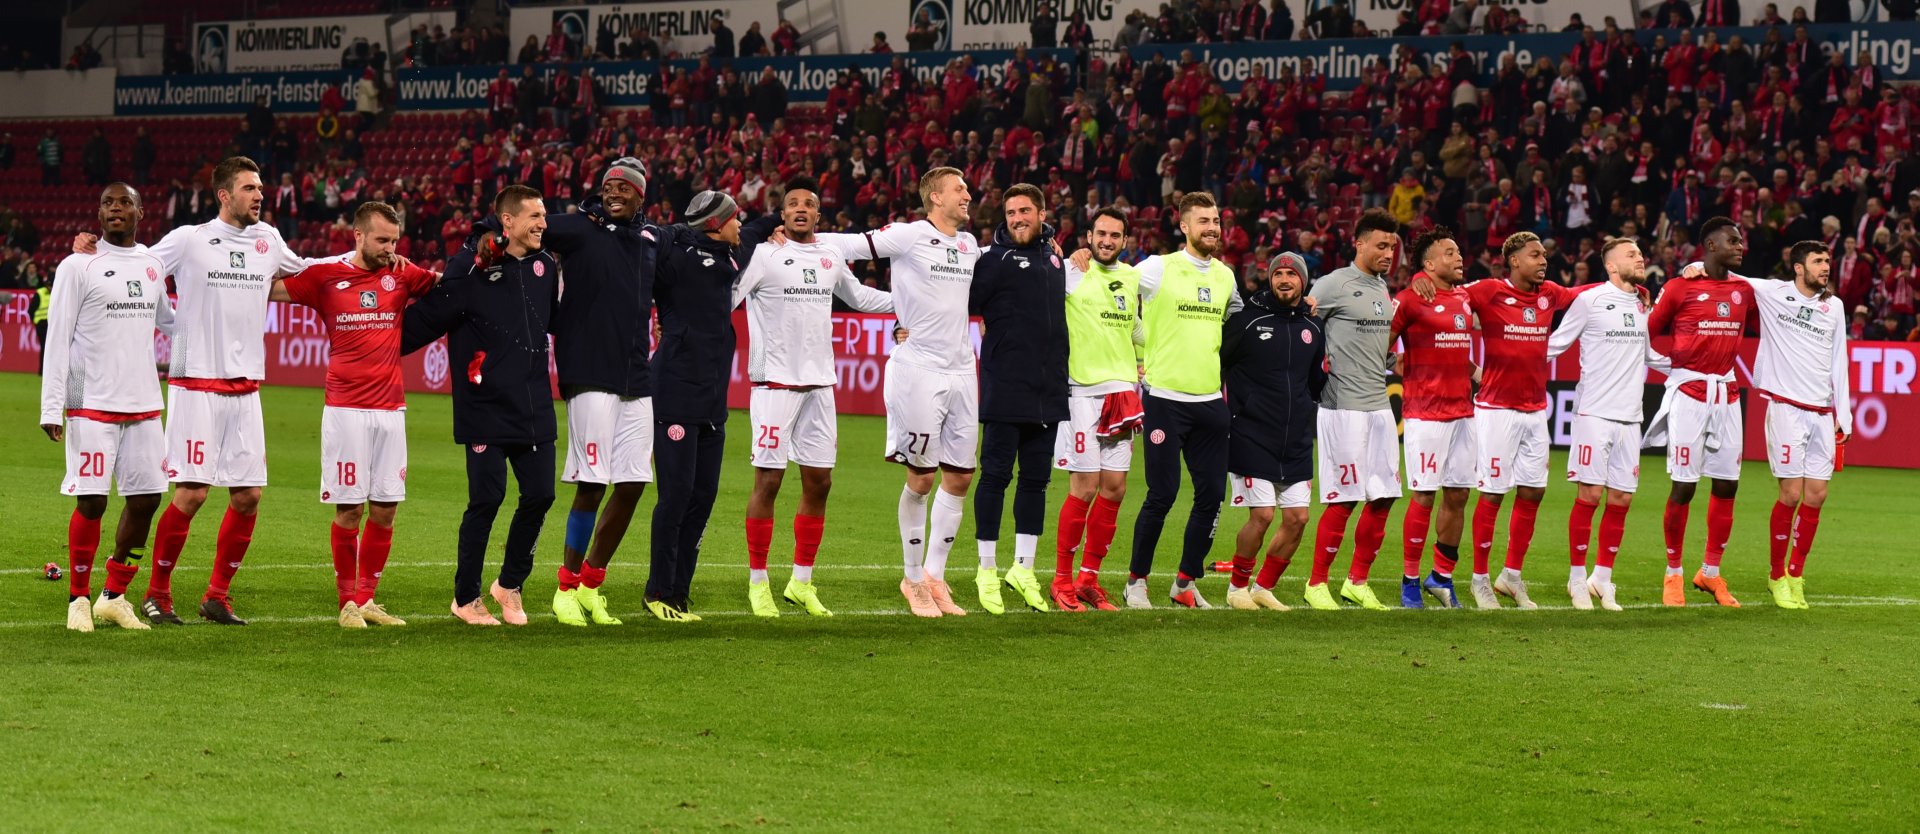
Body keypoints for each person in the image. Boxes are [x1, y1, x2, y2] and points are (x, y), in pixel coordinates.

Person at [76, 157, 308, 626]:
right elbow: (135, 262)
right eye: (248, 188)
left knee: (248, 497)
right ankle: (156, 593)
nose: (259, 195)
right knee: (193, 493)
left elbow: (308, 274)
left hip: (246, 386)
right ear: (224, 195)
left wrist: (361, 262)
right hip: (194, 379)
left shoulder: (269, 240)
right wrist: (92, 248)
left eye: (260, 187)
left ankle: (217, 596)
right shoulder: (189, 239)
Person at [470, 159, 657, 628]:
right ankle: (566, 587)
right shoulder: (576, 229)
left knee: (633, 484)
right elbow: (514, 224)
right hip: (589, 372)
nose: (614, 192)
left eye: (624, 187)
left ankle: (593, 584)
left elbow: (696, 244)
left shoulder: (652, 241)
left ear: (640, 195)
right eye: (608, 184)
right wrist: (484, 236)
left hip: (637, 375)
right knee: (593, 483)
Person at [817, 167, 983, 618]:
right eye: (959, 188)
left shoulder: (969, 245)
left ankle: (935, 576)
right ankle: (912, 580)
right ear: (934, 197)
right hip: (919, 371)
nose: (968, 194)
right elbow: (845, 244)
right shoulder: (909, 235)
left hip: (963, 372)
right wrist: (796, 239)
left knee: (961, 476)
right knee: (922, 478)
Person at [270, 201, 439, 628]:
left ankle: (367, 600)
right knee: (350, 510)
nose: (390, 248)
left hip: (391, 409)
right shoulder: (326, 276)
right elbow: (269, 288)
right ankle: (347, 602)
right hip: (345, 410)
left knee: (385, 508)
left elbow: (443, 286)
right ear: (358, 235)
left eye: (395, 241)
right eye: (382, 240)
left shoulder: (401, 273)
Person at [731, 177, 893, 617]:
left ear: (819, 216)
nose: (801, 209)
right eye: (793, 204)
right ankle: (759, 581)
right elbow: (726, 297)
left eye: (809, 204)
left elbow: (857, 297)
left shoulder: (829, 255)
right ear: (781, 214)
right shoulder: (764, 255)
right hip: (774, 385)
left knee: (820, 482)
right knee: (769, 481)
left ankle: (801, 582)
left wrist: (912, 305)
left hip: (820, 385)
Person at [401, 185, 559, 626]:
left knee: (541, 495)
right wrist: (372, 341)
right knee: (486, 500)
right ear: (507, 222)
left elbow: (559, 321)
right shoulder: (472, 269)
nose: (544, 223)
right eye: (534, 216)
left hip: (533, 404)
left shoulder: (546, 265)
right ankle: (466, 597)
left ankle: (509, 585)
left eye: (544, 215)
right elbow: (424, 320)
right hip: (484, 406)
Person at [1416, 231, 1595, 609]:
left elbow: (1586, 292)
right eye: (1535, 254)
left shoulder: (1550, 294)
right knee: (1493, 493)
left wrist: (1626, 286)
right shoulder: (1488, 291)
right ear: (1514, 260)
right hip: (1496, 410)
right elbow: (1448, 296)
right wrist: (1422, 279)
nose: (1543, 260)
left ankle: (1511, 576)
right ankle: (1479, 579)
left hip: (1534, 410)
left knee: (1532, 491)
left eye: (1544, 254)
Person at [41, 183, 172, 632]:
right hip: (88, 397)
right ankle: (78, 598)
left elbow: (172, 323)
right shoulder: (78, 266)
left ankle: (113, 596)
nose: (115, 209)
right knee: (93, 500)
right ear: (98, 213)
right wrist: (51, 406)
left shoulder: (153, 264)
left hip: (143, 401)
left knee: (147, 499)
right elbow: (58, 336)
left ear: (140, 210)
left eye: (124, 203)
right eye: (107, 203)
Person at [644, 191, 773, 621]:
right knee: (675, 496)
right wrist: (677, 231)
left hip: (712, 401)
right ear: (715, 224)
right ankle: (657, 591)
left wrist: (785, 210)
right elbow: (646, 242)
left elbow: (755, 231)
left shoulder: (732, 252)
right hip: (675, 394)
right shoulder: (676, 257)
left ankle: (680, 592)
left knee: (703, 497)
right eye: (735, 217)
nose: (743, 224)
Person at [1116, 191, 1242, 608]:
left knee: (1211, 496)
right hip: (1165, 401)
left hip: (1210, 402)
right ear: (1184, 226)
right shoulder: (1157, 268)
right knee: (1162, 494)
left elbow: (1240, 322)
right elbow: (1113, 285)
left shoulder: (1225, 276)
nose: (1212, 228)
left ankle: (1185, 583)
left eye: (1216, 220)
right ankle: (1136, 581)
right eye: (1202, 221)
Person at [1546, 238, 1667, 612]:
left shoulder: (1643, 304)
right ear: (1612, 266)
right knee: (1590, 496)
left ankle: (1603, 577)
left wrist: (1695, 369)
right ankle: (1576, 578)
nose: (1640, 258)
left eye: (1640, 253)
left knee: (1622, 498)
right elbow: (1555, 344)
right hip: (1594, 414)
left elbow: (1651, 355)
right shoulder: (1590, 300)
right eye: (1631, 254)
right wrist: (1509, 362)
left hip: (1630, 417)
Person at [967, 183, 1069, 614]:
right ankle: (986, 570)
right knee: (994, 477)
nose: (1017, 219)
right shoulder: (992, 261)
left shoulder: (1055, 258)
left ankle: (1023, 569)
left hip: (1048, 390)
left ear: (1042, 213)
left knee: (1036, 481)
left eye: (1025, 211)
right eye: (1011, 213)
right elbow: (963, 303)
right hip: (1006, 385)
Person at [1643, 216, 1751, 607]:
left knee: (1727, 485)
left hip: (1727, 394)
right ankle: (1672, 573)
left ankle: (1710, 572)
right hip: (1688, 395)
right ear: (1710, 244)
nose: (1741, 247)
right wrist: (1670, 365)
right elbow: (1647, 330)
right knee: (1684, 487)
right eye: (1733, 241)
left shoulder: (1744, 289)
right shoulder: (1679, 287)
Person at [1302, 209, 1401, 611]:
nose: (1388, 253)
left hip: (1379, 406)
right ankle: (1316, 583)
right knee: (1343, 498)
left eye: (1392, 247)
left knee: (1384, 495)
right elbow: (1301, 327)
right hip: (1342, 407)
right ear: (1357, 243)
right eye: (1380, 245)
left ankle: (1357, 581)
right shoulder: (1332, 285)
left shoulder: (1382, 288)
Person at [1744, 241, 1849, 609]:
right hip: (1786, 409)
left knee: (1817, 494)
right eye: (1818, 261)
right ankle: (1776, 576)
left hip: (1822, 413)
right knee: (1790, 494)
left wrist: (1844, 412)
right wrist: (1695, 265)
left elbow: (1840, 360)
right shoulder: (1774, 293)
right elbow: (1729, 273)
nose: (1826, 267)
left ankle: (1796, 573)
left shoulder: (1833, 306)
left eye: (1827, 260)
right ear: (1799, 268)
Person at [1220, 252, 1324, 611]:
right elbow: (1218, 361)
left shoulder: (1313, 328)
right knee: (1262, 514)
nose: (1284, 279)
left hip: (1294, 439)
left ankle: (1263, 587)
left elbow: (1314, 383)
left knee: (1297, 519)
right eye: (1277, 273)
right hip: (1251, 434)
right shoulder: (1247, 320)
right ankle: (1236, 588)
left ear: (1303, 281)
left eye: (1291, 275)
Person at [1051, 208, 1143, 612]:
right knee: (1084, 488)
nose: (1107, 240)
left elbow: (1138, 328)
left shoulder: (1133, 277)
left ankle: (1089, 578)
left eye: (1115, 235)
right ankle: (1061, 580)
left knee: (1115, 488)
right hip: (1082, 393)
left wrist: (1147, 357)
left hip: (1122, 391)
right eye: (1101, 233)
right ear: (1089, 235)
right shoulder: (1070, 273)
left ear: (1125, 241)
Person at [1390, 227, 1475, 609]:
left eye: (1458, 251)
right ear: (1427, 263)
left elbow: (1457, 353)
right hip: (1425, 413)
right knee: (1424, 495)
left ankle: (1440, 577)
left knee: (1458, 495)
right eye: (1449, 252)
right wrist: (1402, 363)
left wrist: (1481, 378)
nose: (1458, 258)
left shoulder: (1466, 298)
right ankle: (1409, 580)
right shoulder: (1409, 299)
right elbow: (1381, 344)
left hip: (1463, 413)